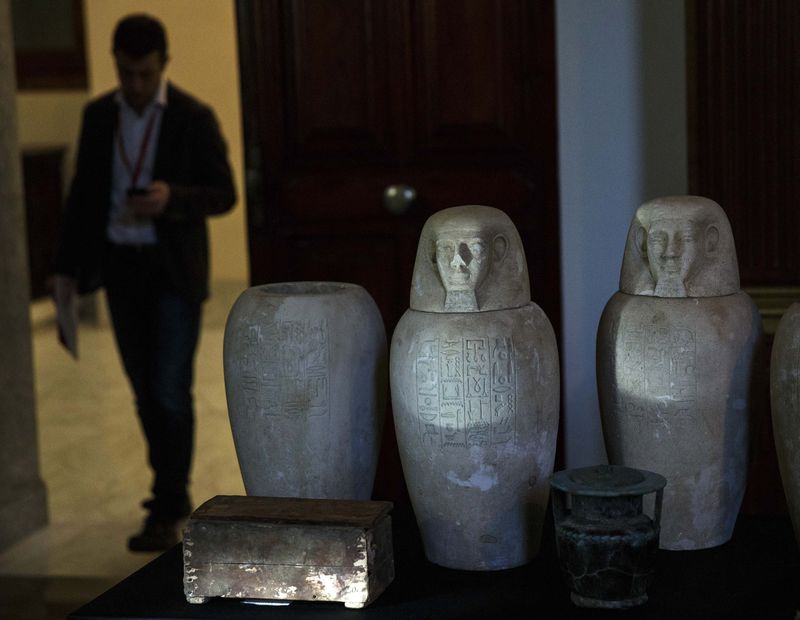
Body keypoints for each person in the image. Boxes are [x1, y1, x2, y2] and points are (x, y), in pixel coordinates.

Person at [53, 13, 236, 551]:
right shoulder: (97, 117)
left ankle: (169, 501)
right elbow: (82, 195)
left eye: (145, 74)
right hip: (120, 270)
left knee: (169, 390)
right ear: (116, 64)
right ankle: (168, 494)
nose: (135, 85)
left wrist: (171, 199)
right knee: (143, 394)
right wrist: (64, 266)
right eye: (126, 73)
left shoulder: (190, 117)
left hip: (173, 270)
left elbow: (224, 193)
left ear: (164, 66)